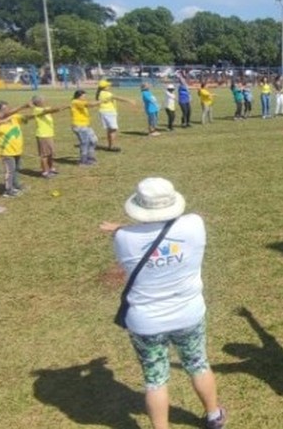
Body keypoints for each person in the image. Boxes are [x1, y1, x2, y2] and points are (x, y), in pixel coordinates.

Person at [100, 178, 227, 429]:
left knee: (155, 380)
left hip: (146, 321)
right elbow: (177, 225)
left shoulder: (123, 237)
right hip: (188, 313)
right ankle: (214, 416)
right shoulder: (195, 225)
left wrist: (120, 228)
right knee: (198, 363)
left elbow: (133, 236)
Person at [0, 101, 27, 196]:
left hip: (17, 150)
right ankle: (8, 190)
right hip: (6, 152)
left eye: (8, 108)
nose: (8, 110)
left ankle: (15, 185)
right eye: (5, 109)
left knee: (16, 168)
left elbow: (26, 118)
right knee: (10, 171)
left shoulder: (14, 117)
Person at [31, 95, 69, 178]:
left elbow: (52, 109)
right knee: (44, 155)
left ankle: (51, 168)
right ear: (39, 102)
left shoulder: (43, 108)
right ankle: (45, 172)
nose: (45, 101)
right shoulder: (37, 110)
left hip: (49, 134)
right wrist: (61, 107)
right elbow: (50, 110)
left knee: (51, 153)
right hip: (43, 135)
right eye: (43, 100)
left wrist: (64, 107)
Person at [95, 80, 136, 151]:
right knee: (113, 129)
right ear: (104, 87)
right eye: (107, 86)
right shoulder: (106, 94)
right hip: (109, 112)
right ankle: (111, 146)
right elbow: (118, 98)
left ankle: (110, 145)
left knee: (110, 130)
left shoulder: (101, 93)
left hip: (105, 112)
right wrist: (129, 100)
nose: (109, 86)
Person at [70, 90, 100, 166]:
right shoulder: (75, 102)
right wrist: (102, 101)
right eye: (84, 96)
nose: (85, 97)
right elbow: (90, 104)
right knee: (85, 143)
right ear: (78, 96)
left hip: (86, 125)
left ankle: (90, 158)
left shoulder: (81, 102)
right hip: (79, 126)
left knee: (94, 140)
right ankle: (83, 161)